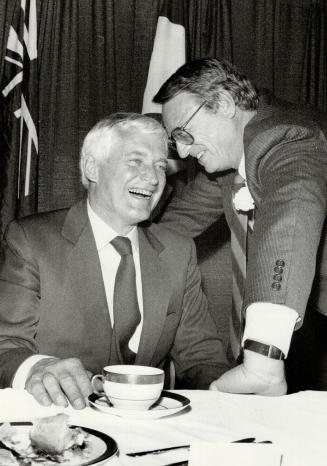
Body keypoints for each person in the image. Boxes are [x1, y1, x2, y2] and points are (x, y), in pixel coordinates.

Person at [0, 113, 229, 409]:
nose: (153, 178)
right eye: (136, 161)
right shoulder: (31, 241)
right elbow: (5, 345)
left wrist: (231, 403)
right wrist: (36, 368)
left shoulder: (178, 251)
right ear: (92, 168)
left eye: (160, 165)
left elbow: (202, 358)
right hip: (56, 421)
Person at [153, 57, 327, 395]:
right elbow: (174, 226)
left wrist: (262, 361)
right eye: (177, 143)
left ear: (224, 103)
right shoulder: (227, 163)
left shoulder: (287, 137)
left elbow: (290, 218)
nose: (185, 152)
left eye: (183, 134)